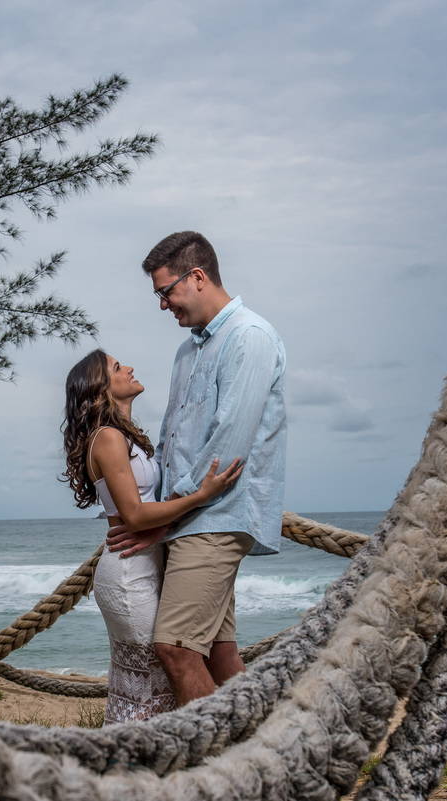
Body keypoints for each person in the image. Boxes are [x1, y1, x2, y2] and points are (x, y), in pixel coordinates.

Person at [108, 231, 287, 707]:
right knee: (219, 652)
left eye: (166, 291)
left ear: (199, 277)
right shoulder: (187, 351)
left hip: (217, 515)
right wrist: (153, 513)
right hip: (188, 517)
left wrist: (164, 514)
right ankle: (265, 756)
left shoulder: (249, 337)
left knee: (175, 648)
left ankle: (220, 768)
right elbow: (170, 444)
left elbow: (226, 448)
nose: (163, 305)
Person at [62, 348, 242, 725]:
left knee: (153, 689)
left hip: (145, 563)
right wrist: (202, 497)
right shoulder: (108, 437)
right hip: (130, 574)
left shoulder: (125, 436)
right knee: (149, 690)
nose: (129, 367)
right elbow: (136, 514)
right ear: (99, 390)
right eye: (116, 367)